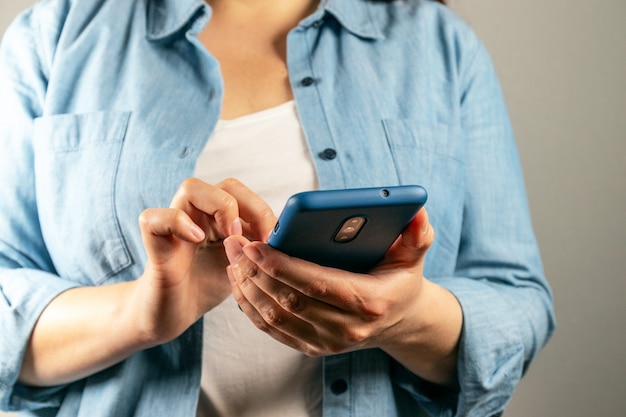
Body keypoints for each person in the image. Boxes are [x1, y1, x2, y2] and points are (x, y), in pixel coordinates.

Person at [0, 0, 555, 416]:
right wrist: (140, 314)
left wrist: (406, 318)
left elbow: (516, 299)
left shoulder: (441, 47)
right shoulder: (55, 35)